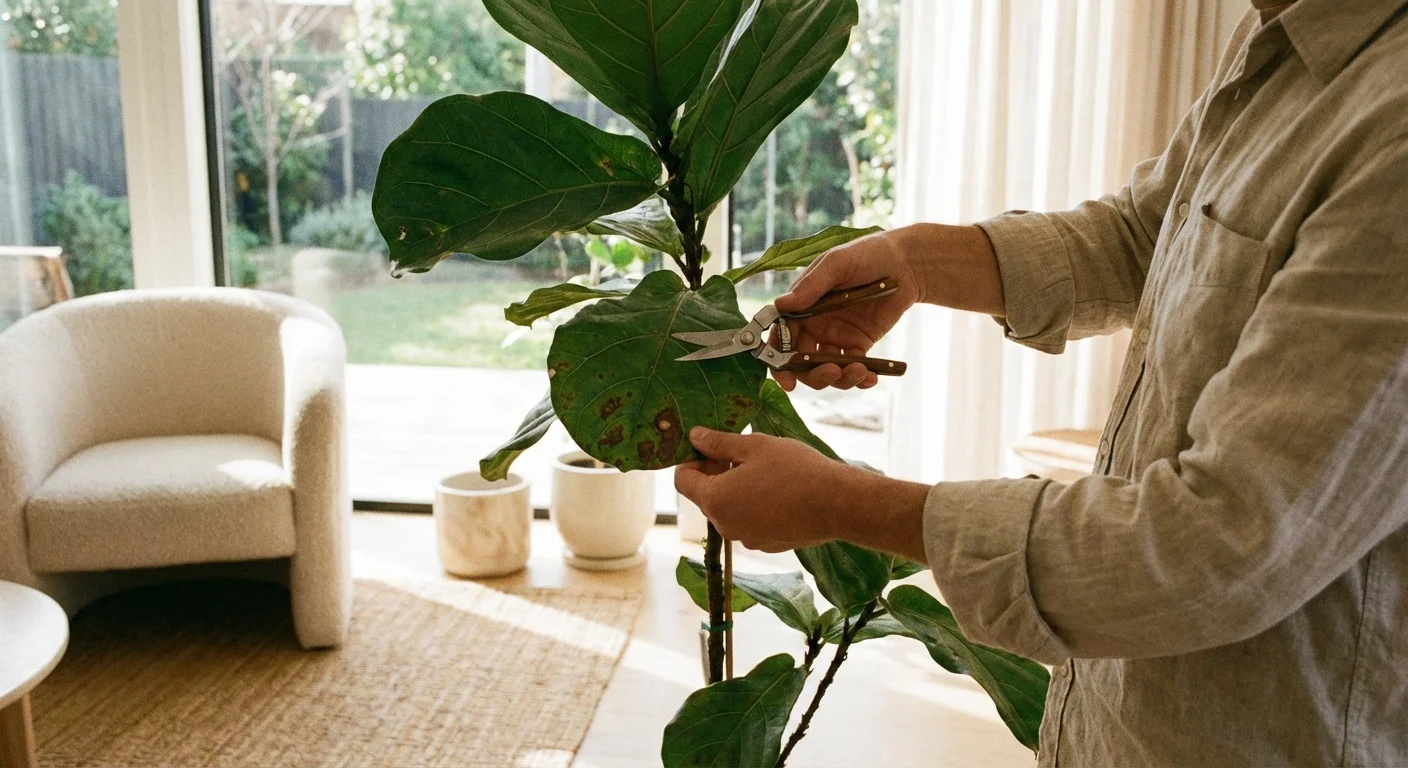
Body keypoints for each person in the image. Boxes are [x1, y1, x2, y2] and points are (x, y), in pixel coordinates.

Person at [674, 1, 1408, 765]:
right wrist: (919, 262)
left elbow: (1220, 544)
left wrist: (842, 502)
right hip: (1118, 720)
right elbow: (1150, 232)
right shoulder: (1281, 31)